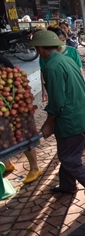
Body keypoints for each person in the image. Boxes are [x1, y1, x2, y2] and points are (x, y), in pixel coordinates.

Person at [28, 30, 85, 201]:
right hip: (82, 115)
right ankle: (67, 185)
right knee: (67, 154)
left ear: (40, 48)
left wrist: (48, 124)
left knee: (69, 159)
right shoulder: (67, 60)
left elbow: (57, 102)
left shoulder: (51, 67)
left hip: (71, 120)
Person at [0, 55, 42, 184]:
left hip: (14, 106)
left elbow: (16, 83)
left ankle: (35, 168)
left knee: (24, 135)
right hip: (5, 108)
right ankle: (7, 164)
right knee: (2, 137)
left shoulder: (3, 62)